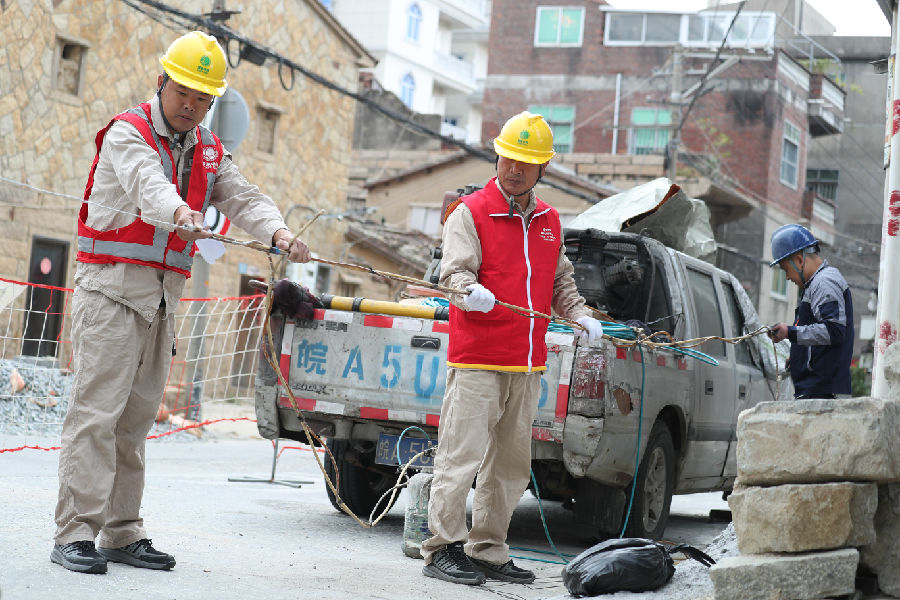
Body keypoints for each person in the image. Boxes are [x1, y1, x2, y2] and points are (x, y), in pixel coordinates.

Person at [52, 31, 311, 574]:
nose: (191, 105)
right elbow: (149, 184)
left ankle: (122, 532)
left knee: (136, 419)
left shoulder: (210, 152)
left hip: (163, 301)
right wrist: (181, 213)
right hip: (112, 292)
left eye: (203, 98)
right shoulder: (130, 133)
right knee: (96, 415)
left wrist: (279, 232)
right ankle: (76, 532)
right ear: (162, 83)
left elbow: (243, 197)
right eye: (183, 92)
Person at [420, 111, 604, 586]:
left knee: (509, 466)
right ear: (496, 156)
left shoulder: (549, 222)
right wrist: (468, 291)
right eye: (508, 158)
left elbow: (559, 280)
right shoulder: (471, 212)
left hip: (526, 364)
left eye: (526, 162)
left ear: (542, 169)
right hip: (478, 358)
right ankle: (441, 546)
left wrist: (580, 314)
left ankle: (488, 549)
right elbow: (453, 275)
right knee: (459, 458)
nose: (515, 169)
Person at [768, 224, 854, 399]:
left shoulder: (824, 283)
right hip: (817, 391)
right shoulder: (816, 285)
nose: (787, 277)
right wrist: (799, 357)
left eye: (786, 269)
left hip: (824, 393)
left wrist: (789, 332)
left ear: (799, 260)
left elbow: (833, 331)